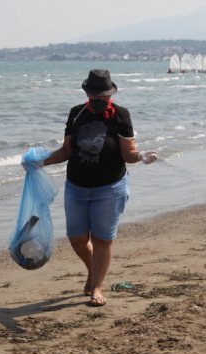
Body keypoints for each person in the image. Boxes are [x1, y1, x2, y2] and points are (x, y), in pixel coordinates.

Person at [32, 69, 158, 307]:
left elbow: (127, 153)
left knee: (102, 239)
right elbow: (66, 151)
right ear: (88, 94)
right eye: (95, 95)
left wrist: (141, 156)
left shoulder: (121, 115)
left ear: (109, 95)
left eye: (103, 96)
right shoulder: (76, 114)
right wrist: (41, 161)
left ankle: (97, 287)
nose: (99, 99)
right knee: (77, 239)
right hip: (77, 187)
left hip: (110, 187)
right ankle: (94, 270)